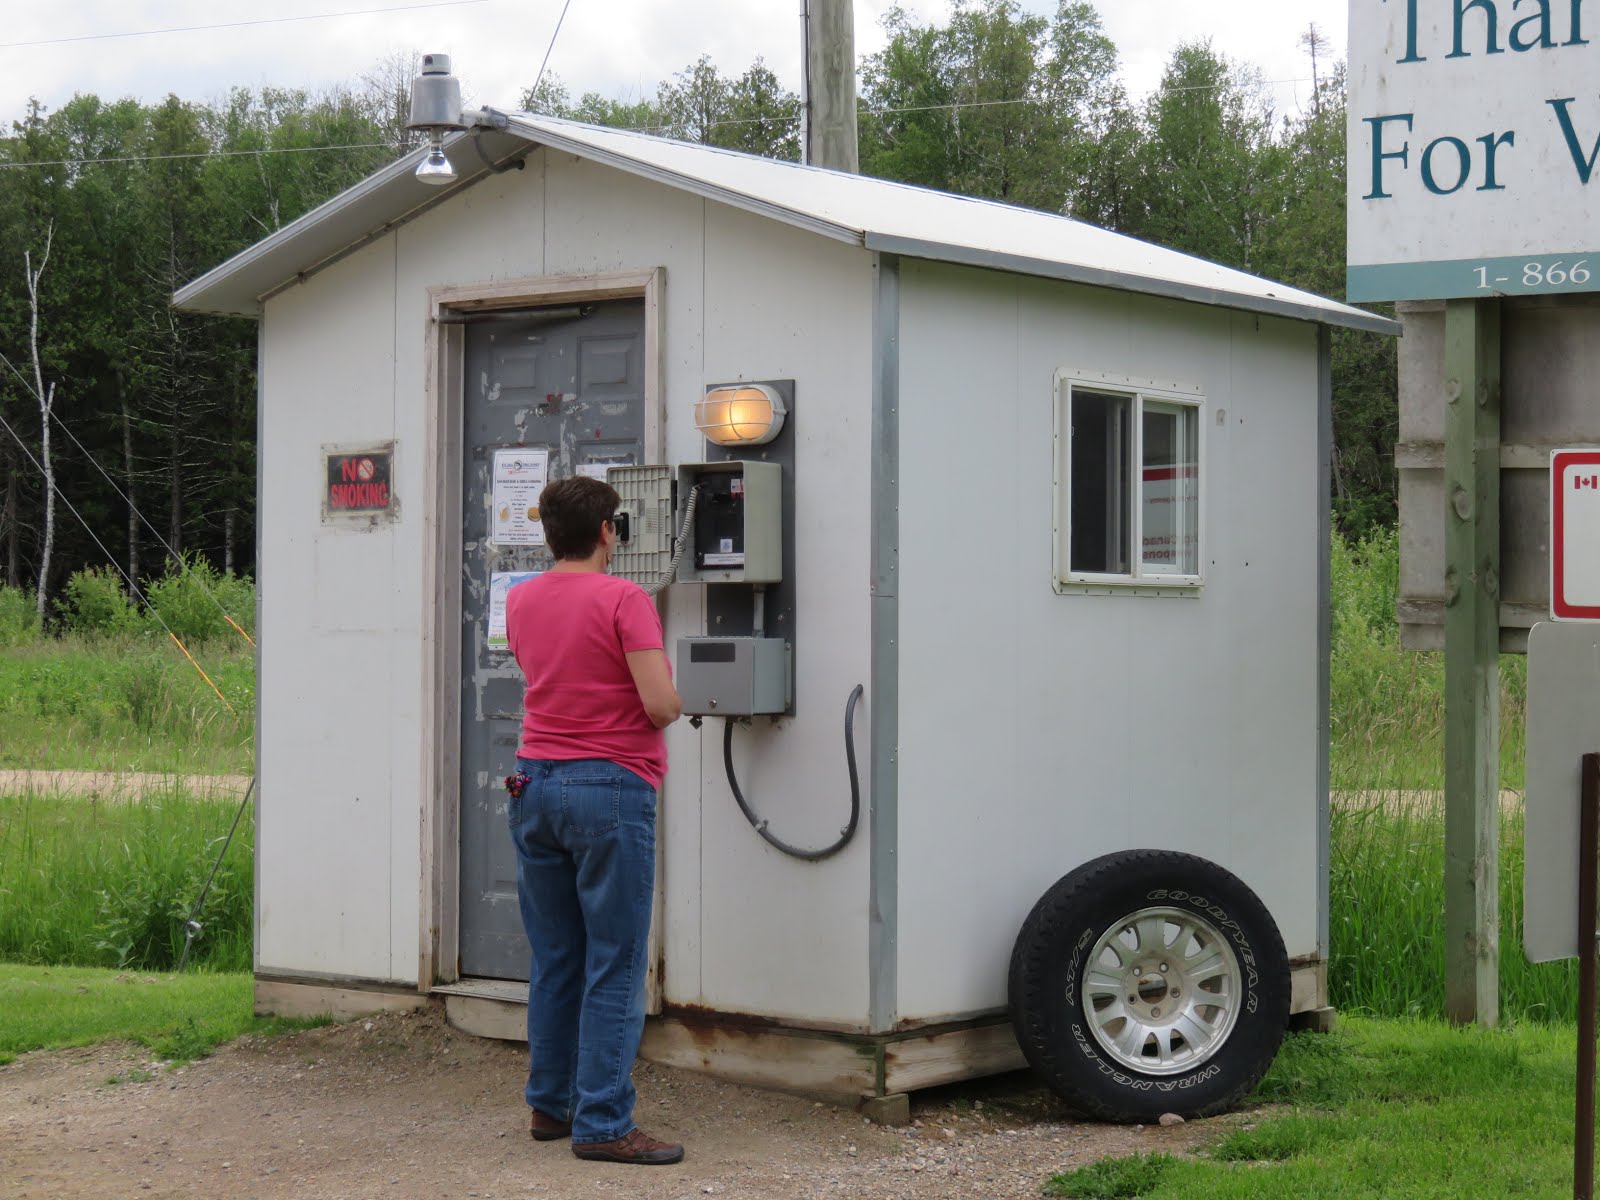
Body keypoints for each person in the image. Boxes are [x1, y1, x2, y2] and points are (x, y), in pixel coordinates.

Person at [503, 474, 685, 1166]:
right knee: (614, 961)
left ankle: (551, 1105)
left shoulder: (520, 600)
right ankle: (605, 1121)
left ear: (551, 532)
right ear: (610, 529)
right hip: (609, 786)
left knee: (557, 958)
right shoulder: (623, 598)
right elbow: (661, 705)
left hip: (533, 781)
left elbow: (541, 676)